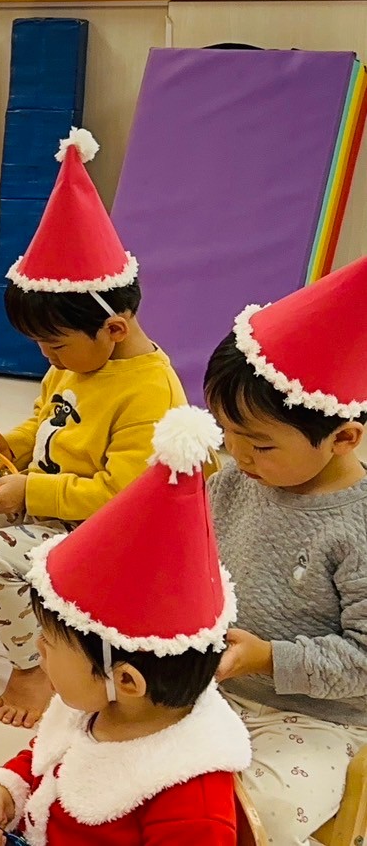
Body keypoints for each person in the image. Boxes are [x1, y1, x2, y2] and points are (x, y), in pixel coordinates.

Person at [0, 128, 184, 729]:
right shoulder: (76, 364)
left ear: (114, 329)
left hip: (101, 530)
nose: (48, 357)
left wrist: (30, 490)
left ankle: (33, 667)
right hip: (49, 503)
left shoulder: (148, 390)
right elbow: (49, 418)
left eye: (56, 344)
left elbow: (120, 496)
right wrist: (13, 447)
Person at [0, 407, 251, 846]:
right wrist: (3, 794)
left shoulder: (191, 798)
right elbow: (45, 757)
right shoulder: (100, 703)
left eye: (50, 642)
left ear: (126, 679)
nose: (38, 648)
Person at [203, 256, 367, 846]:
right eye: (227, 434)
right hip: (211, 686)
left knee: (256, 815)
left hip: (321, 721)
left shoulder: (357, 527)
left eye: (260, 444)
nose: (237, 455)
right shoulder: (234, 481)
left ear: (343, 437)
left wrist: (271, 658)